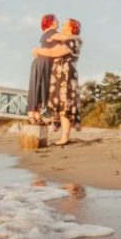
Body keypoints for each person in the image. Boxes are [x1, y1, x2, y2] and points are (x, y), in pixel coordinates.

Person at [32, 18, 82, 146]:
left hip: (65, 75)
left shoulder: (72, 40)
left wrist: (38, 50)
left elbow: (56, 52)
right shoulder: (69, 39)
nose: (62, 25)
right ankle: (62, 135)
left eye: (65, 23)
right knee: (60, 105)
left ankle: (65, 137)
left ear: (71, 26)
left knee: (64, 106)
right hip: (60, 75)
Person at [27, 13, 58, 124]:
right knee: (37, 88)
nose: (58, 21)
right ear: (51, 22)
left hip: (44, 62)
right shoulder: (52, 32)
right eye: (56, 19)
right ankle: (32, 114)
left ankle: (36, 114)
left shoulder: (49, 33)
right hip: (43, 62)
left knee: (41, 88)